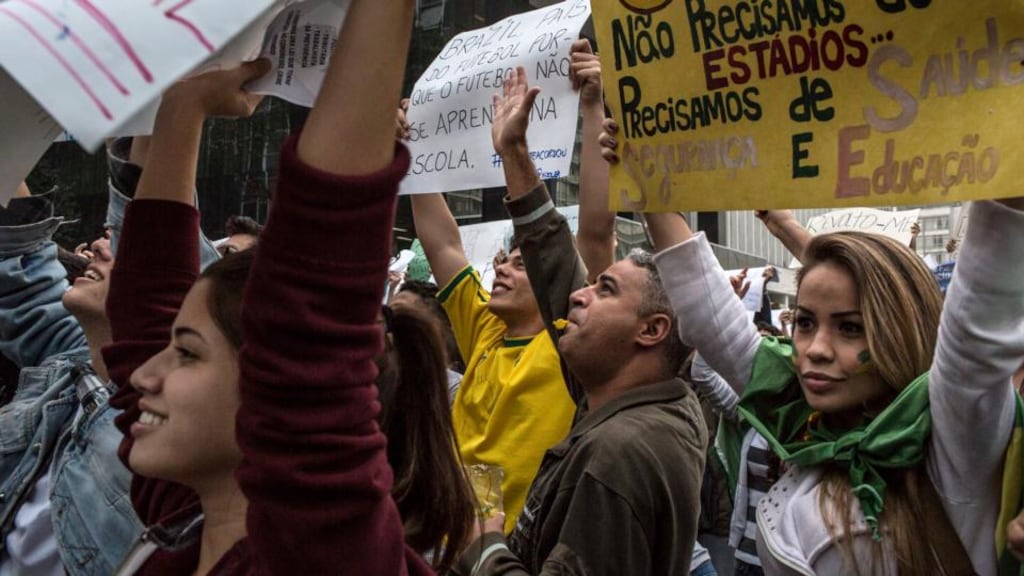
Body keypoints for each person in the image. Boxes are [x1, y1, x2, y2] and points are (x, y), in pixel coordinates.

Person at [103, 1, 435, 573]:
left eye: (186, 353)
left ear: (276, 388)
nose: (142, 375)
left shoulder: (330, 555)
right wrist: (183, 108)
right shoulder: (190, 510)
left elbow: (312, 307)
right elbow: (145, 302)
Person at [454, 64, 707, 576]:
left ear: (651, 330)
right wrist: (515, 153)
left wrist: (484, 548)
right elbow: (552, 260)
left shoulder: (618, 456)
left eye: (604, 288)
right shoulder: (626, 394)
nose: (579, 295)